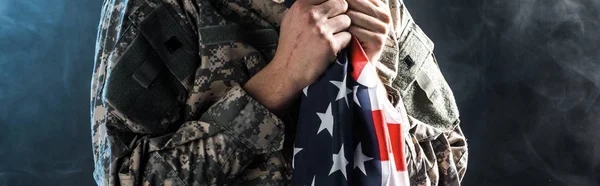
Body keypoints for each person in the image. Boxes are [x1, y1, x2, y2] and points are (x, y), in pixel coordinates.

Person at [90, 0, 468, 185]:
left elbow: (449, 167)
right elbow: (125, 179)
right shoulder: (168, 7)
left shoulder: (378, 7)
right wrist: (279, 81)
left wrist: (374, 82)